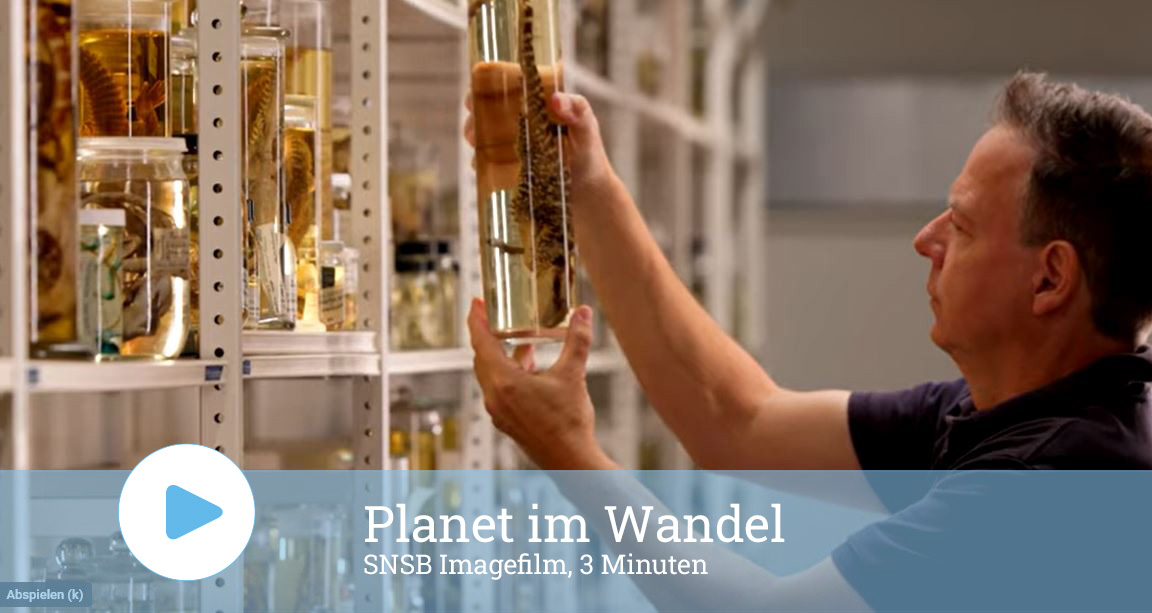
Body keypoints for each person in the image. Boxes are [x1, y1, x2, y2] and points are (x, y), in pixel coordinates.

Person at [463, 73, 1152, 609]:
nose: (926, 240)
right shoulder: (1014, 411)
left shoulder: (1052, 486)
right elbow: (737, 421)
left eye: (962, 226)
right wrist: (586, 186)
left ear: (1049, 278)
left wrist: (570, 454)